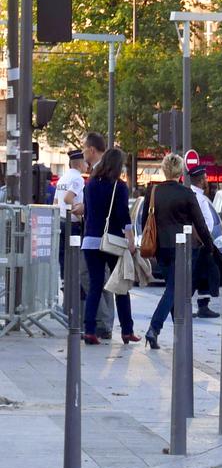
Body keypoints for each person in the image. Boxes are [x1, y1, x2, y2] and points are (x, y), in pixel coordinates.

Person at [141, 153, 214, 349]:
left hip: (160, 248)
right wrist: (210, 245)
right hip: (182, 248)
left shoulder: (153, 191)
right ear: (181, 171)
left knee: (172, 288)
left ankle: (179, 332)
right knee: (174, 289)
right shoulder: (186, 193)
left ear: (164, 170)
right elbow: (200, 224)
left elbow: (144, 220)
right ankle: (154, 328)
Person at [80, 147, 138, 346]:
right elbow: (123, 215)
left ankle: (89, 330)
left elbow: (87, 213)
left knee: (95, 286)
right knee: (121, 285)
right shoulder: (119, 186)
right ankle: (127, 330)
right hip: (112, 241)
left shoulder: (90, 184)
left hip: (90, 240)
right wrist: (130, 239)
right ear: (117, 165)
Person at [81, 132, 116, 339]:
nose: (83, 151)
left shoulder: (101, 172)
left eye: (84, 148)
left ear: (92, 150)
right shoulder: (100, 170)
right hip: (102, 234)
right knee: (102, 278)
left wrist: (84, 208)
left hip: (99, 235)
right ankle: (105, 322)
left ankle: (102, 321)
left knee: (90, 277)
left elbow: (103, 203)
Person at [188, 165, 222, 319]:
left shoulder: (200, 197)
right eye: (205, 178)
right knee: (195, 275)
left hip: (203, 241)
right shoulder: (195, 197)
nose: (206, 181)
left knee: (204, 274)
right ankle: (181, 304)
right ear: (201, 180)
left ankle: (203, 305)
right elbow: (197, 221)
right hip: (199, 241)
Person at [54, 149, 87, 274]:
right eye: (85, 163)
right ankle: (74, 288)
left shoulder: (62, 179)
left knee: (63, 256)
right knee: (74, 258)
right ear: (79, 164)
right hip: (73, 224)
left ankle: (64, 283)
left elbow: (56, 202)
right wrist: (77, 213)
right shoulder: (78, 179)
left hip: (60, 221)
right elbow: (68, 198)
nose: (87, 165)